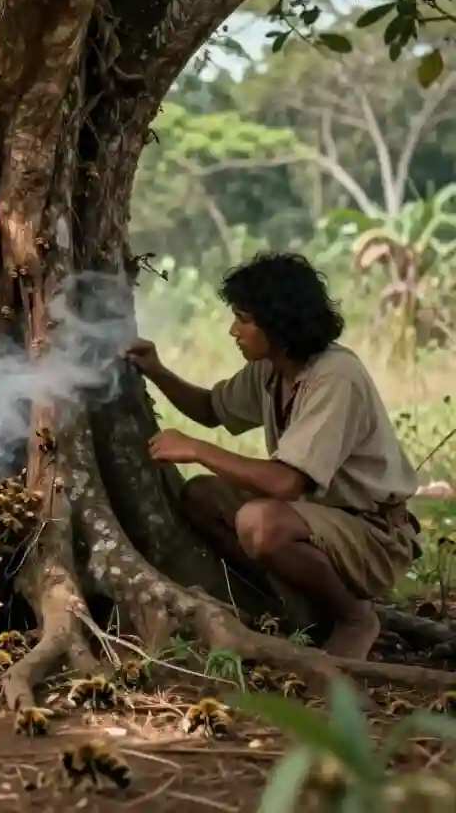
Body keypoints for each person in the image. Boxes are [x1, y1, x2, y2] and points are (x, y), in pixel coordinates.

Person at [122, 251, 421, 661]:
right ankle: (300, 611)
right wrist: (155, 370)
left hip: (373, 532)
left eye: (243, 319)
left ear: (278, 323)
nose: (233, 330)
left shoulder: (334, 377)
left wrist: (197, 449)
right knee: (202, 497)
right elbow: (212, 409)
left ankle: (355, 618)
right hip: (319, 519)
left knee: (260, 523)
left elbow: (286, 483)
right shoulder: (273, 369)